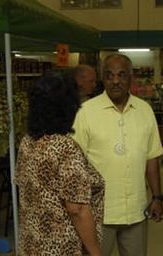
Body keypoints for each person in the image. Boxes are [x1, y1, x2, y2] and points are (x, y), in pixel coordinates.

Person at [72, 53, 163, 256]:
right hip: (98, 213)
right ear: (102, 79)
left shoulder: (145, 110)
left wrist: (157, 196)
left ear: (131, 78)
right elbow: (75, 164)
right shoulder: (86, 112)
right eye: (109, 75)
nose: (115, 81)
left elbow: (151, 157)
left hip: (136, 210)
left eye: (122, 75)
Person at [14, 71, 104, 256]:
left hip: (31, 243)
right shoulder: (65, 147)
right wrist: (96, 252)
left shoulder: (27, 142)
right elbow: (77, 208)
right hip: (62, 247)